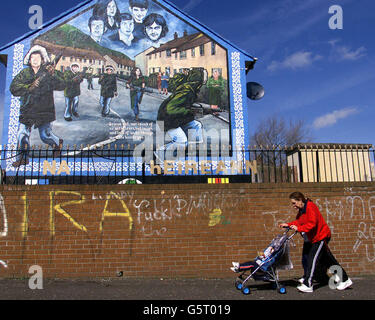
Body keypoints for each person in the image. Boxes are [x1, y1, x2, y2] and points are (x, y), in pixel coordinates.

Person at [279, 191, 352, 293]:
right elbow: (299, 222)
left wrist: (299, 228)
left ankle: (308, 284)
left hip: (320, 237)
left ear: (300, 200)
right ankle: (345, 279)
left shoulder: (310, 207)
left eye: (294, 203)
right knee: (328, 260)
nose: (293, 206)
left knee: (312, 260)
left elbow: (312, 223)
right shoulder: (302, 210)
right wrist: (288, 224)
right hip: (315, 238)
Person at [10, 45, 65, 167]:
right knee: (22, 134)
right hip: (27, 109)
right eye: (32, 57)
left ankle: (57, 143)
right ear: (29, 60)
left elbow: (62, 85)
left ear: (42, 60)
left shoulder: (50, 71)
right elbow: (13, 88)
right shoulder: (24, 74)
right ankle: (23, 157)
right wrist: (28, 87)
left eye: (38, 57)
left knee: (45, 135)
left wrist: (53, 75)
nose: (35, 59)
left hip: (44, 109)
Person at [155, 68, 207, 162]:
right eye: (204, 76)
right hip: (167, 120)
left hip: (175, 119)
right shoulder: (187, 91)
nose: (205, 78)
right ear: (198, 79)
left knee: (196, 125)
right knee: (181, 142)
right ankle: (159, 156)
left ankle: (189, 150)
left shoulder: (191, 89)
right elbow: (170, 109)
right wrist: (190, 112)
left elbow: (185, 106)